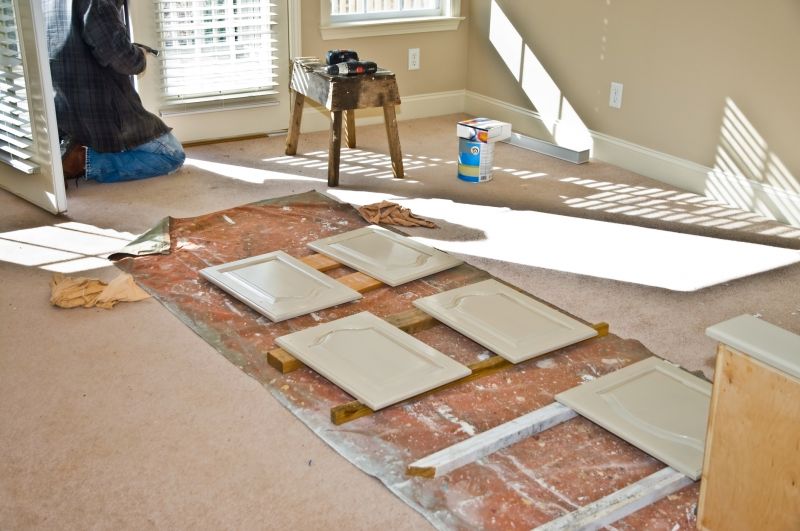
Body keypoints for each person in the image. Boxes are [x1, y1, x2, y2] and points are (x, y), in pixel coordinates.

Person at [43, 0, 185, 184]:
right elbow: (124, 60)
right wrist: (139, 54)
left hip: (64, 108)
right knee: (171, 154)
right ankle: (81, 160)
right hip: (99, 110)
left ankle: (75, 148)